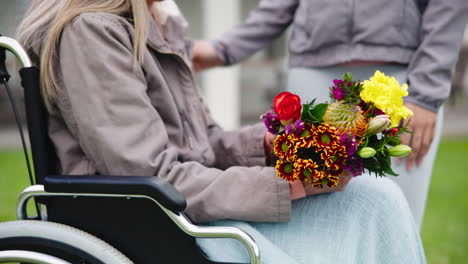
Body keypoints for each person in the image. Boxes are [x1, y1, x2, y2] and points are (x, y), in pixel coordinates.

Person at [17, 0, 426, 263]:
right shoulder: (93, 31)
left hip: (190, 206)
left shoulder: (155, 23)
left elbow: (202, 143)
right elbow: (152, 179)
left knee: (374, 196)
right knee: (374, 203)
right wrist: (290, 182)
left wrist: (273, 145)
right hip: (157, 224)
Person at [192, 0, 468, 229]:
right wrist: (222, 49)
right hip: (313, 70)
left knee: (396, 223)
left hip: (401, 76)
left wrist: (425, 93)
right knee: (315, 223)